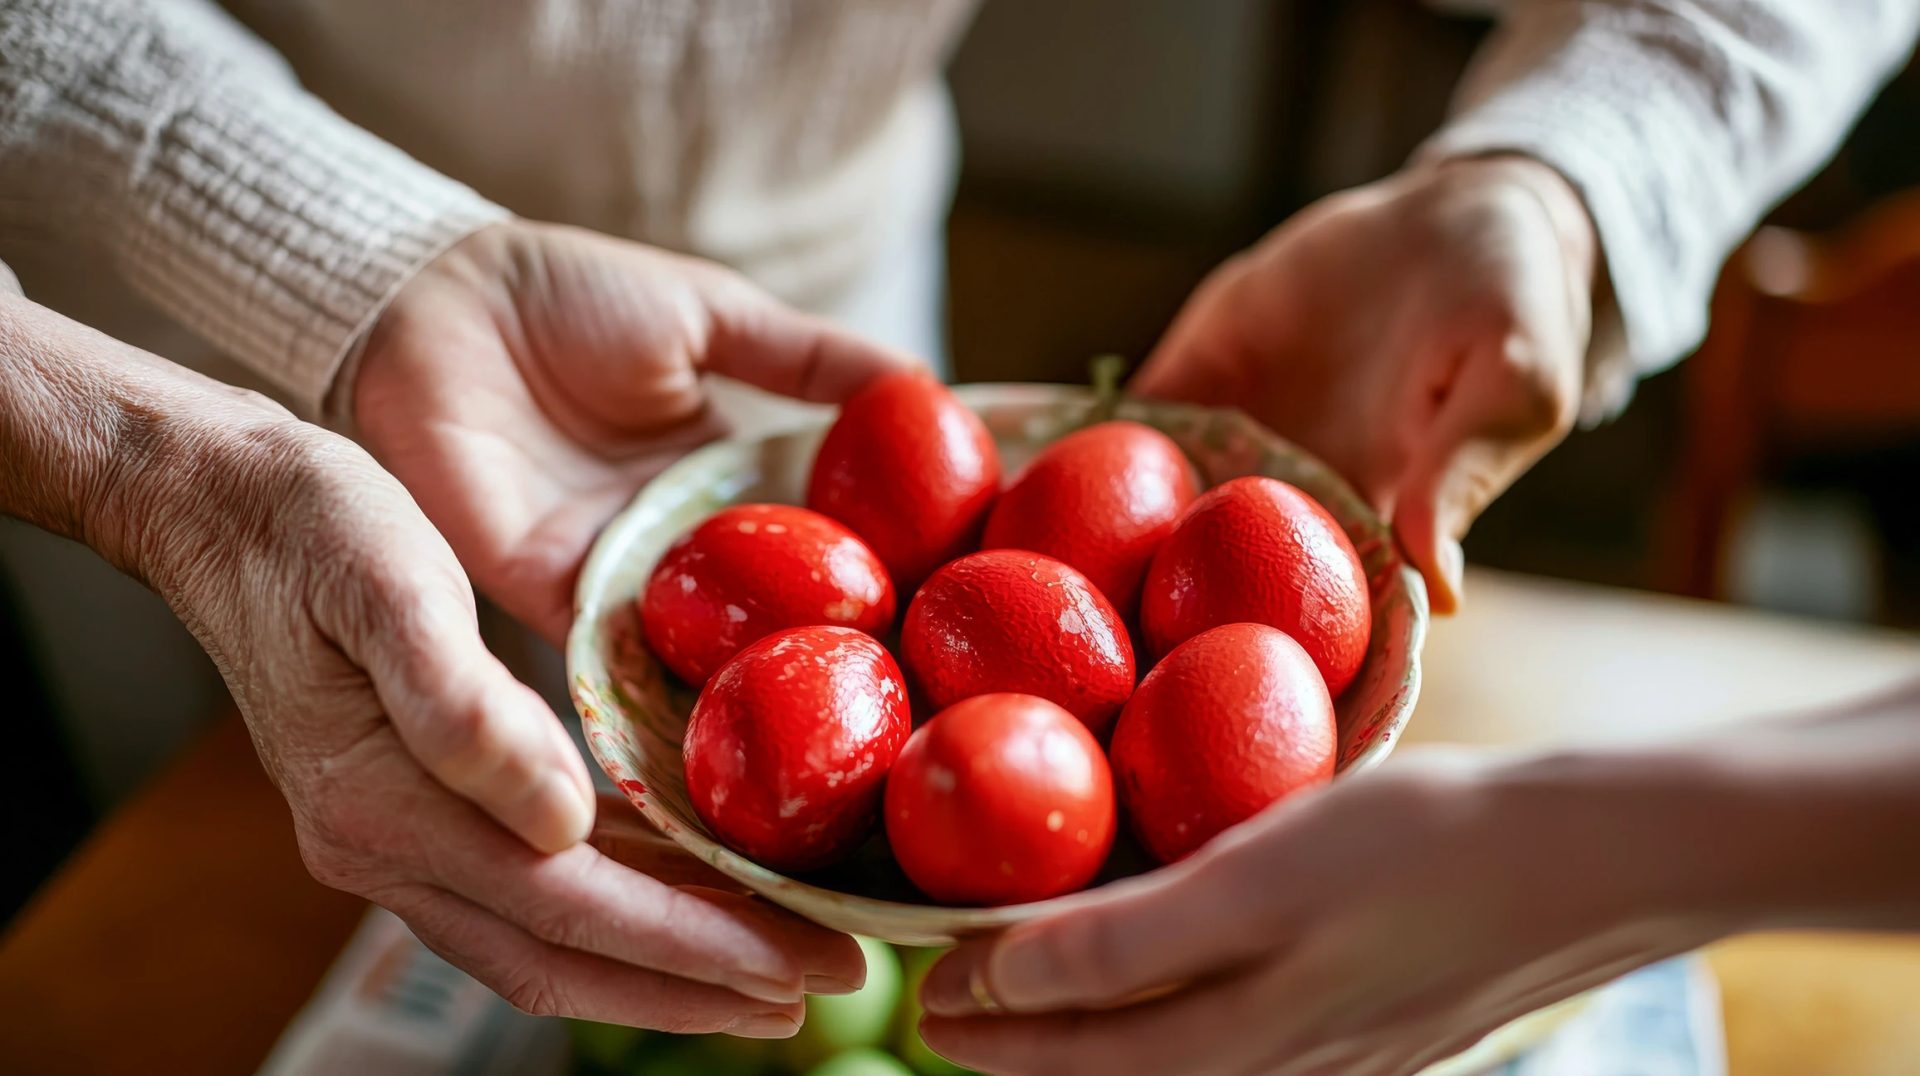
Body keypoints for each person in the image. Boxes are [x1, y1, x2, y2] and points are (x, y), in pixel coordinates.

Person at [1, 0, 1916, 1060]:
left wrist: (1577, 166)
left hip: (794, 362)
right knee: (188, 932)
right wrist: (158, 461)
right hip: (148, 333)